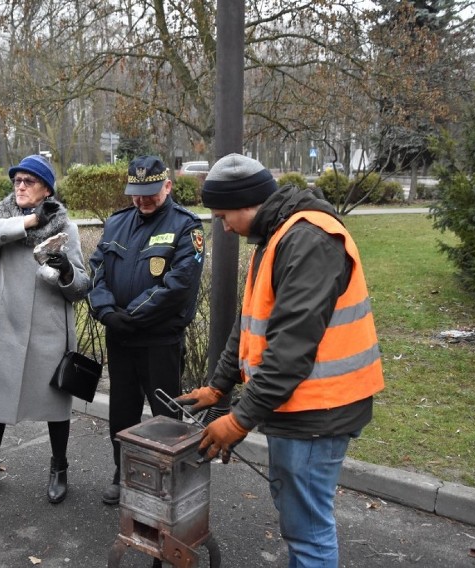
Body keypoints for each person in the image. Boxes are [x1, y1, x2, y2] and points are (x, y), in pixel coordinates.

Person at [175, 153, 385, 567]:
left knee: (307, 531)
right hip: (299, 408)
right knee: (299, 522)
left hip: (318, 411)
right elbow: (248, 322)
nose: (223, 225)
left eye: (222, 215)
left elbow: (290, 350)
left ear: (247, 202)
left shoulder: (309, 239)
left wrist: (238, 420)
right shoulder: (277, 237)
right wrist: (219, 385)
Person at [0, 155, 90, 505]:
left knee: (56, 405)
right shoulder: (0, 216)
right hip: (4, 324)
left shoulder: (66, 227)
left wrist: (66, 272)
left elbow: (81, 286)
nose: (19, 185)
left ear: (46, 189)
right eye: (17, 180)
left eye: (29, 181)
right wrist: (29, 221)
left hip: (49, 329)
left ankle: (59, 467)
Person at [89, 155, 205, 505]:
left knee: (165, 416)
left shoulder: (187, 226)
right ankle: (122, 472)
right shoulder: (116, 223)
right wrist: (107, 311)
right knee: (121, 413)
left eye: (151, 194)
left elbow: (179, 285)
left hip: (159, 341)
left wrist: (131, 315)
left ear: (167, 186)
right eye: (136, 194)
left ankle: (168, 478)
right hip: (120, 337)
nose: (142, 201)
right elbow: (97, 271)